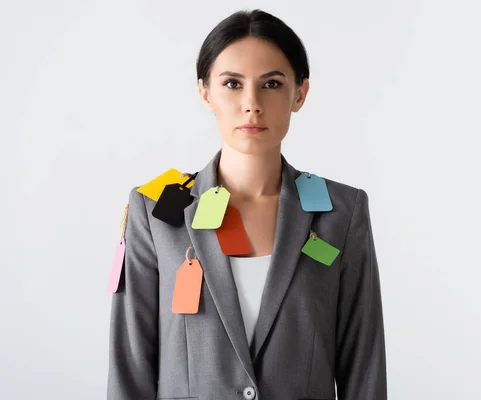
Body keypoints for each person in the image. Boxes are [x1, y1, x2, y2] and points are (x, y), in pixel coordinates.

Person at [107, 9, 387, 400]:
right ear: (205, 92)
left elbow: (364, 367)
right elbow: (129, 368)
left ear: (300, 93)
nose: (251, 103)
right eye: (232, 84)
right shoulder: (154, 211)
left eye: (271, 84)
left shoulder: (343, 211)